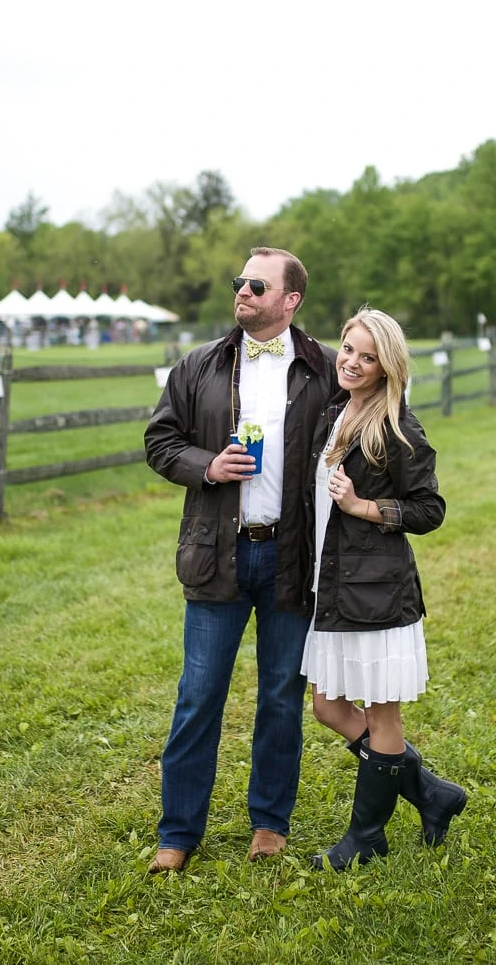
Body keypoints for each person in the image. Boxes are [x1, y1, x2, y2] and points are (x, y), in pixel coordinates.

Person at [144, 246, 338, 872]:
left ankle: (269, 823)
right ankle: (177, 834)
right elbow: (160, 441)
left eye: (258, 284)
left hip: (290, 557)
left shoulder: (325, 368)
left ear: (290, 300)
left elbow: (375, 427)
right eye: (240, 282)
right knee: (198, 695)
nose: (244, 292)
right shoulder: (198, 365)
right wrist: (207, 466)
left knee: (281, 697)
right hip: (216, 555)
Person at [301, 308, 467, 870]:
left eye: (367, 356)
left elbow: (429, 509)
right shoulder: (336, 411)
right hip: (335, 585)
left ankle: (366, 837)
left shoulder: (397, 427)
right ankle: (430, 794)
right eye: (347, 348)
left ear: (386, 366)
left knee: (382, 715)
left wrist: (361, 506)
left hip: (378, 591)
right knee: (327, 705)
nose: (351, 361)